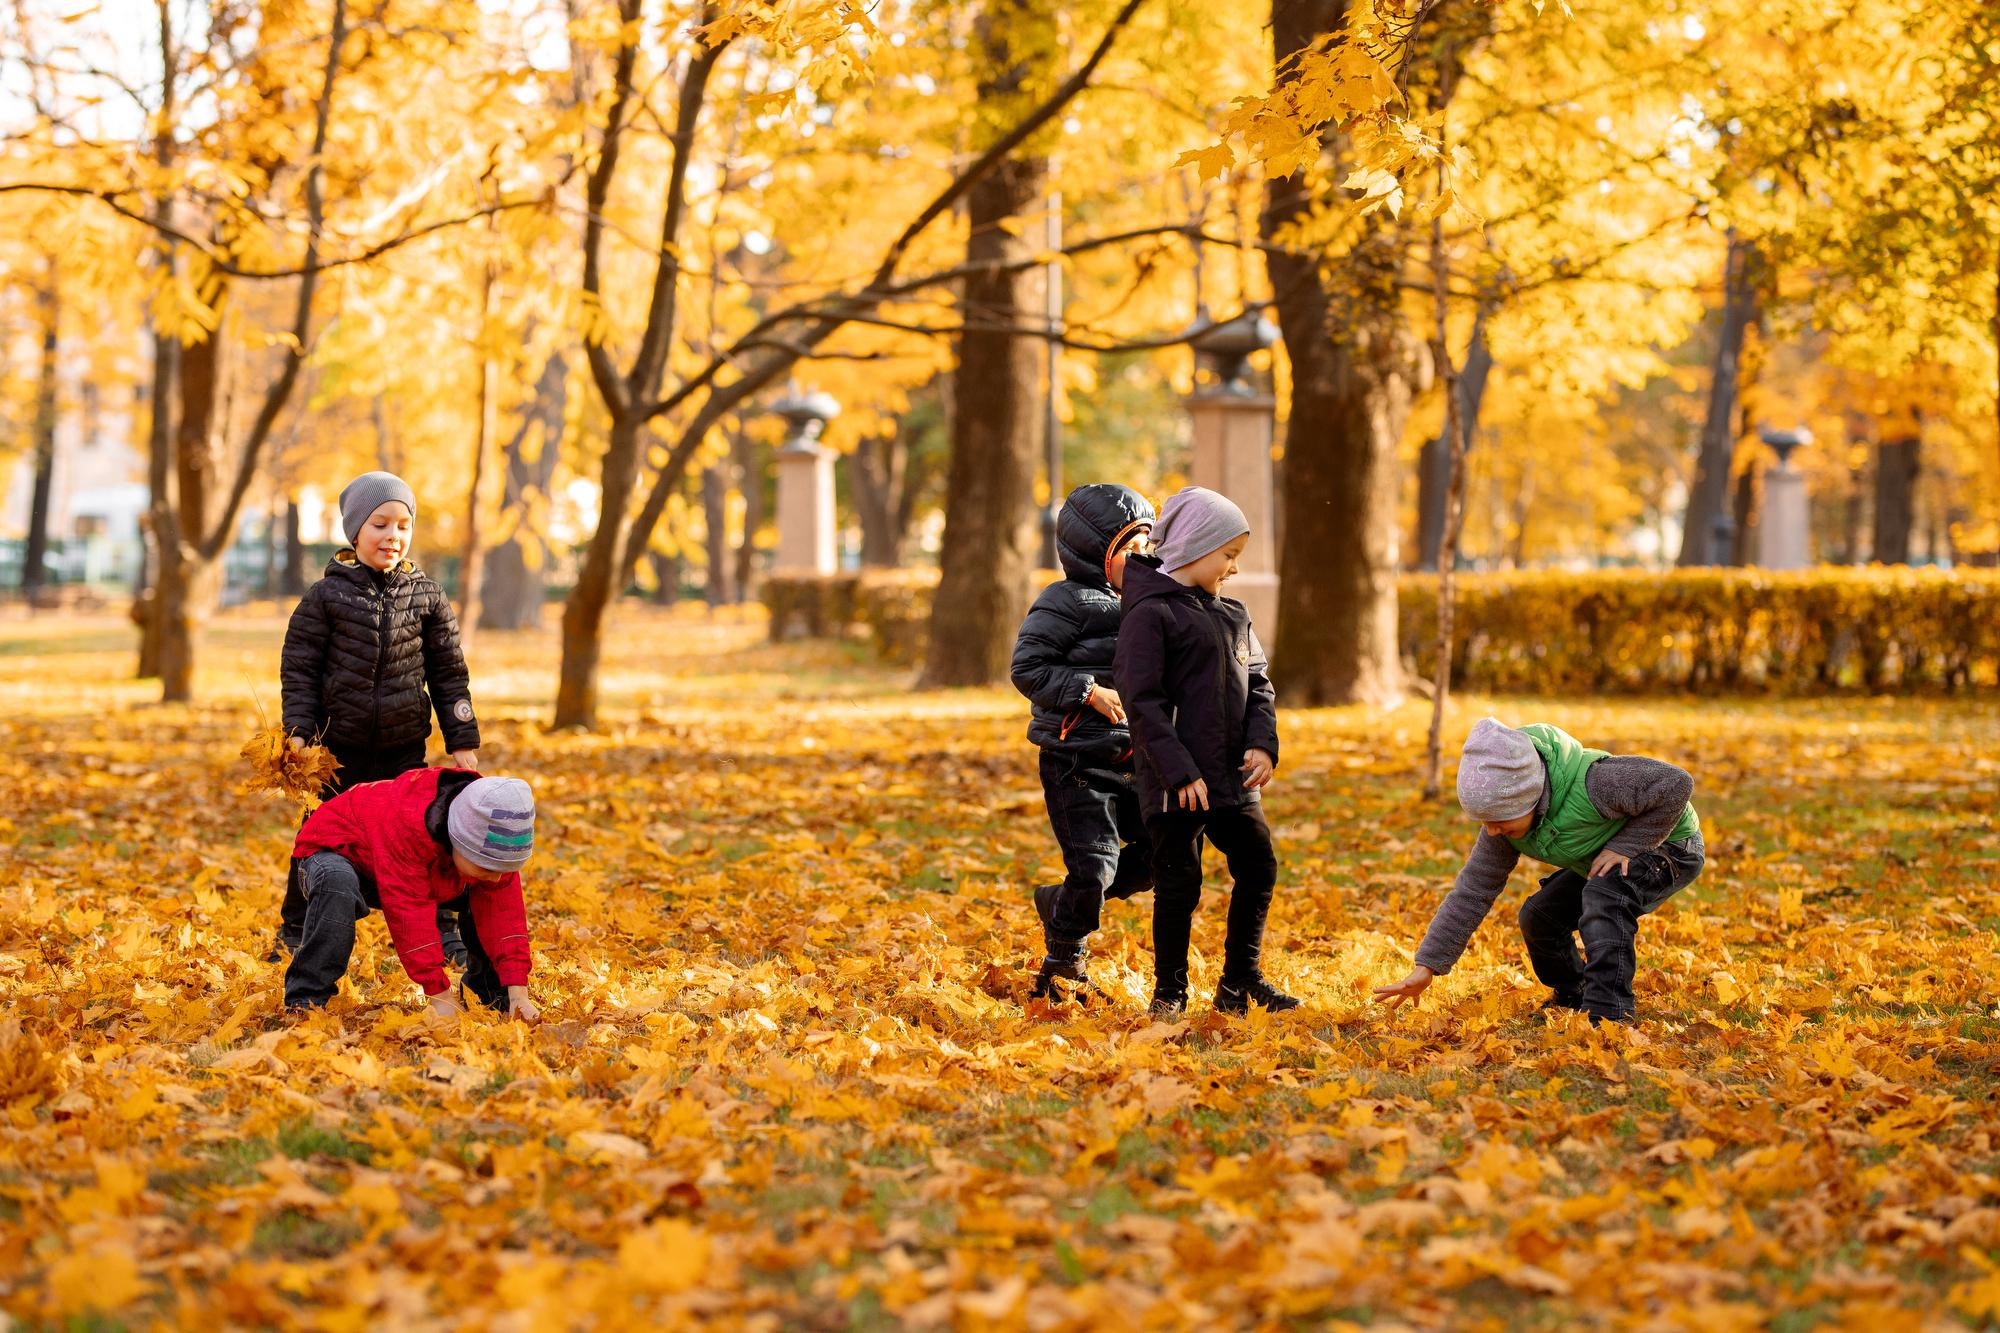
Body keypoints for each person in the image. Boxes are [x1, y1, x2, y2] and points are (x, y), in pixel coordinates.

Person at [273, 471, 481, 965]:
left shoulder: (426, 595)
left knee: (425, 836)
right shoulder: (325, 598)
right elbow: (299, 670)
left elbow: (449, 673)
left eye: (403, 526)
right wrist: (299, 733)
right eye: (380, 524)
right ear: (354, 532)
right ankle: (296, 927)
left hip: (401, 748)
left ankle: (443, 928)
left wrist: (462, 739)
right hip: (336, 752)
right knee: (319, 835)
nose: (393, 536)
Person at [1373, 717, 1705, 1025]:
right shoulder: (1503, 832)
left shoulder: (1597, 782)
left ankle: (1609, 1014)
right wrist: (1427, 966)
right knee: (1539, 915)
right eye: (1484, 822)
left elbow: (1676, 784)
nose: (1491, 831)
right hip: (1604, 856)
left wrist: (1626, 846)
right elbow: (1471, 893)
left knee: (1605, 896)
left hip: (1671, 846)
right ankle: (1574, 993)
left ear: (1529, 798)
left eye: (1500, 820)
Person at [1113, 486, 1297, 1019]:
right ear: (1195, 547)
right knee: (1179, 883)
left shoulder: (1234, 615)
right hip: (1177, 782)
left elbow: (1259, 683)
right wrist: (1176, 772)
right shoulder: (1150, 615)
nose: (1234, 570)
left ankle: (1240, 981)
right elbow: (1141, 701)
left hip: (1232, 776)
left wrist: (1263, 744)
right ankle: (1169, 992)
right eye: (1229, 557)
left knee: (1258, 866)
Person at [1012, 484, 1158, 1002]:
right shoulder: (1064, 601)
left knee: (1163, 855)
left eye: (1148, 547)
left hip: (1137, 761)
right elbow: (1027, 668)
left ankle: (1061, 901)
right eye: (1129, 549)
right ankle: (1063, 963)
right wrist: (1088, 691)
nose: (1142, 559)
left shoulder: (1150, 604)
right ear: (1097, 553)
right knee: (1095, 864)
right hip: (1077, 762)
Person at [284, 766, 539, 1019]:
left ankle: (490, 993)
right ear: (459, 840)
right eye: (486, 866)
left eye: (503, 869)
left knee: (487, 892)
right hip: (335, 851)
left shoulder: (495, 831)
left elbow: (505, 916)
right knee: (336, 882)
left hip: (413, 862)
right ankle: (306, 1000)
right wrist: (440, 996)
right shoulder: (408, 824)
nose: (497, 876)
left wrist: (519, 994)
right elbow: (410, 914)